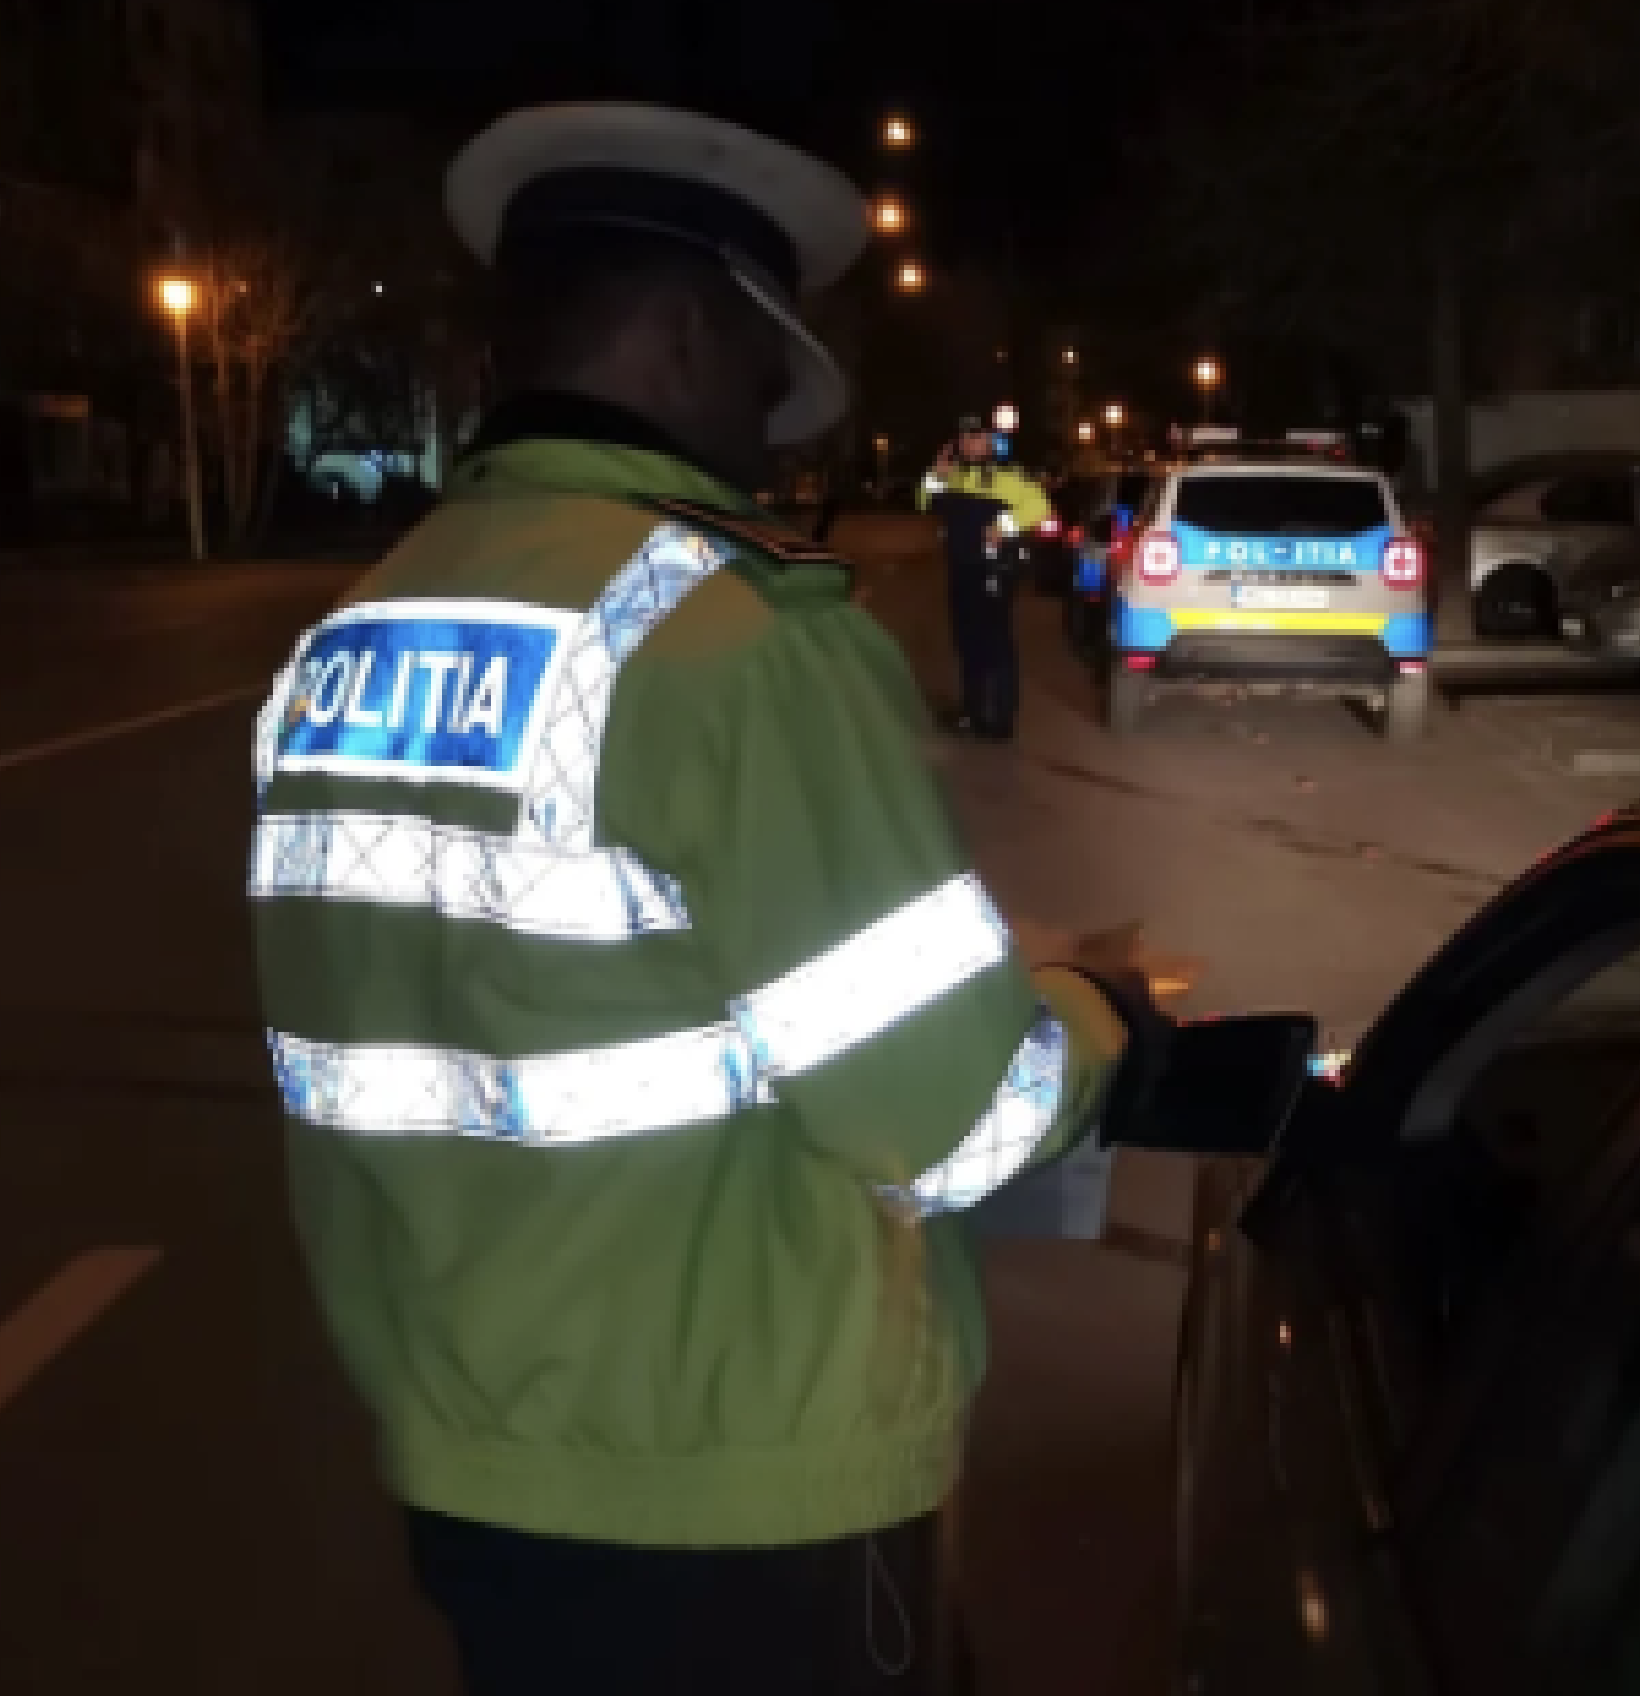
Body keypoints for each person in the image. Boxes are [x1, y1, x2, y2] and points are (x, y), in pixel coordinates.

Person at [245, 102, 1150, 1696]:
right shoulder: (738, 646)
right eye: (759, 374)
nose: (773, 434)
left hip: (471, 1468)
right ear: (679, 334)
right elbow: (950, 1119)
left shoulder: (348, 647)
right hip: (744, 1495)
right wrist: (1097, 1020)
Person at [917, 415, 1050, 740]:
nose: (968, 443)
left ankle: (1001, 719)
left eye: (976, 437)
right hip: (961, 569)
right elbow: (925, 503)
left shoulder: (1008, 475)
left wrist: (1002, 526)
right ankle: (973, 711)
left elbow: (1040, 507)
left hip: (993, 572)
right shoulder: (954, 474)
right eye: (964, 438)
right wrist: (935, 474)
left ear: (989, 441)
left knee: (995, 641)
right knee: (966, 641)